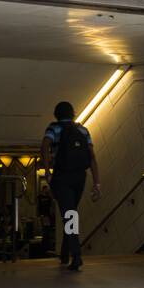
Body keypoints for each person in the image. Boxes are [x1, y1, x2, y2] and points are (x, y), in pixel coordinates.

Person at [42, 101, 101, 271]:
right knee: (71, 214)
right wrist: (97, 183)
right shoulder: (83, 130)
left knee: (69, 216)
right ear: (73, 114)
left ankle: (76, 256)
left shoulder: (54, 128)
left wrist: (47, 171)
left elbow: (45, 146)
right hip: (80, 177)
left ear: (56, 114)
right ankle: (65, 253)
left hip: (61, 176)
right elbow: (92, 156)